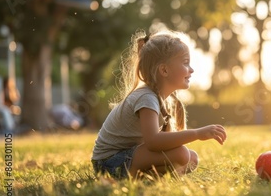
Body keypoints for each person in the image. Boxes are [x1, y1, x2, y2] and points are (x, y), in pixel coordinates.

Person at [91, 29, 227, 179]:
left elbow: (162, 144)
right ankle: (144, 176)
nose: (191, 70)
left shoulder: (161, 99)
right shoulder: (146, 98)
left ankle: (147, 176)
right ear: (164, 70)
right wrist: (197, 134)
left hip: (126, 157)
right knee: (182, 154)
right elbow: (153, 142)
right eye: (185, 63)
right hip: (107, 164)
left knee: (191, 158)